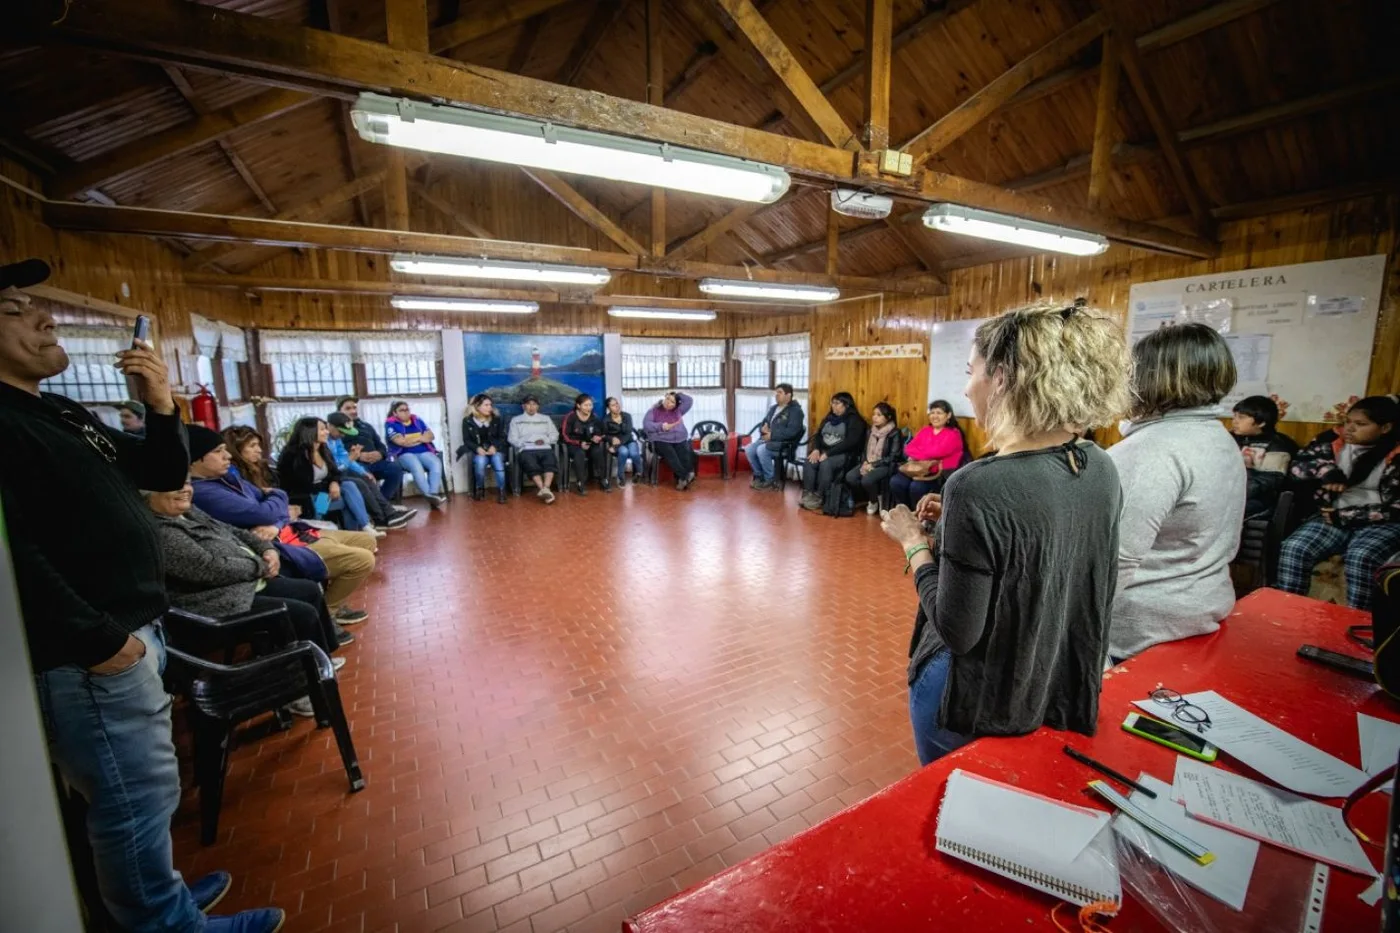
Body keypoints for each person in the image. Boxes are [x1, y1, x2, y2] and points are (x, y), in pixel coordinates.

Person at [0, 258, 284, 933]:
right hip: (93, 649)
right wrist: (104, 641)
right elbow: (17, 556)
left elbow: (157, 469)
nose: (45, 315)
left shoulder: (54, 412)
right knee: (131, 798)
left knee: (144, 791)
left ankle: (164, 894)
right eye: (14, 309)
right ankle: (167, 923)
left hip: (128, 631)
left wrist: (160, 404)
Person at [880, 302, 1128, 765]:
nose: (966, 386)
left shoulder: (977, 484)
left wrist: (913, 540)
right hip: (1047, 672)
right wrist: (958, 526)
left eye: (971, 370)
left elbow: (957, 630)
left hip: (975, 692)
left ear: (1003, 380)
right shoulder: (1099, 464)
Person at [146, 482, 348, 716]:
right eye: (173, 484)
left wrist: (267, 549)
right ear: (148, 493)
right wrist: (260, 565)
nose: (185, 489)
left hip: (243, 583)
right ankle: (297, 690)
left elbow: (235, 531)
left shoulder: (189, 512)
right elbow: (209, 568)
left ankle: (320, 662)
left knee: (308, 590)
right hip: (214, 603)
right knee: (300, 613)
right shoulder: (162, 532)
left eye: (186, 482)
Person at [1107, 323, 1245, 662]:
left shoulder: (1151, 450)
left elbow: (1113, 561)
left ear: (1147, 378)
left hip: (1141, 629)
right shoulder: (1217, 436)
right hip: (1202, 605)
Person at [189, 425, 375, 626]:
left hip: (289, 524)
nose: (226, 456)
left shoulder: (229, 477)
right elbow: (272, 504)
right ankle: (327, 614)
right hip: (295, 520)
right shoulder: (205, 490)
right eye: (218, 451)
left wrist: (277, 515)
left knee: (353, 499)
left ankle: (367, 525)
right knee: (353, 511)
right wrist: (277, 504)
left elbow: (276, 498)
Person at [1277, 395, 1400, 610]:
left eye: (1361, 424)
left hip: (1382, 522)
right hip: (1332, 516)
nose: (1350, 429)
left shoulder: (1395, 455)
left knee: (1361, 556)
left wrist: (1347, 516)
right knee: (1294, 547)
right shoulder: (1331, 442)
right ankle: (1288, 613)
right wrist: (1327, 471)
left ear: (1385, 427)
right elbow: (1296, 469)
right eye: (1348, 422)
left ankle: (1358, 623)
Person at [277, 417, 381, 538]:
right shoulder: (292, 454)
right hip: (306, 500)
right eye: (322, 429)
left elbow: (334, 472)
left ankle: (360, 531)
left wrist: (334, 483)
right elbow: (304, 485)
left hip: (322, 494)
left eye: (326, 429)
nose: (327, 432)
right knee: (348, 498)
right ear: (309, 431)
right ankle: (358, 533)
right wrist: (329, 485)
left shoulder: (323, 449)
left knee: (349, 487)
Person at [327, 412, 414, 528]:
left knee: (365, 478)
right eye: (341, 432)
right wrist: (350, 460)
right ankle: (379, 519)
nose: (343, 435)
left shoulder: (335, 441)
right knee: (357, 484)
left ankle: (386, 516)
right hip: (324, 485)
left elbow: (340, 464)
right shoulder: (317, 447)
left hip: (333, 478)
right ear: (330, 426)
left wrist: (363, 471)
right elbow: (333, 469)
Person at [887, 400, 969, 510]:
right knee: (896, 482)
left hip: (940, 474)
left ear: (948, 415)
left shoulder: (954, 433)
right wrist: (926, 454)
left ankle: (921, 515)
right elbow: (908, 448)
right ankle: (907, 511)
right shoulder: (926, 430)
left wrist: (919, 453)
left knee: (916, 487)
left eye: (939, 413)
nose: (935, 416)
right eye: (932, 412)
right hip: (918, 469)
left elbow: (937, 452)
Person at [1230, 395, 1299, 518]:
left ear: (1261, 422)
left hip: (1260, 500)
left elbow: (1268, 481)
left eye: (1241, 417)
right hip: (1231, 493)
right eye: (1234, 416)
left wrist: (1231, 492)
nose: (1234, 421)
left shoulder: (1278, 445)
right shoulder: (1230, 438)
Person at [799, 391, 866, 512]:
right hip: (825, 451)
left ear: (847, 405)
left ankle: (821, 496)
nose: (833, 406)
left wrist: (828, 454)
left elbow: (850, 442)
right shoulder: (829, 417)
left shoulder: (855, 420)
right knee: (810, 462)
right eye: (832, 403)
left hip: (845, 454)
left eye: (837, 403)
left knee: (826, 463)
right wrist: (816, 449)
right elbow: (819, 435)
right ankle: (808, 494)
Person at [335, 396, 404, 501]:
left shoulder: (366, 426)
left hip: (373, 463)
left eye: (354, 408)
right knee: (364, 478)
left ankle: (383, 504)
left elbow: (381, 446)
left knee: (395, 469)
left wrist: (380, 454)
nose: (353, 411)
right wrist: (358, 457)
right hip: (352, 466)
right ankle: (379, 507)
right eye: (348, 408)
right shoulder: (335, 432)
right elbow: (338, 455)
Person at [743, 383, 805, 490]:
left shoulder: (796, 411)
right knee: (749, 449)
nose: (776, 395)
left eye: (780, 393)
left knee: (761, 450)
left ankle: (770, 480)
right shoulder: (773, 408)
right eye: (776, 393)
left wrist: (772, 436)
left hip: (783, 445)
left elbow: (792, 432)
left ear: (788, 395)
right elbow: (764, 423)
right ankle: (759, 476)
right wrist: (763, 428)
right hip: (768, 440)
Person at [385, 400, 446, 508]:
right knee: (416, 466)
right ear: (395, 413)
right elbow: (400, 442)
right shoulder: (391, 424)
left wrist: (411, 440)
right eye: (402, 410)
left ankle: (433, 495)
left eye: (407, 409)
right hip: (404, 454)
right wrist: (420, 438)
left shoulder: (417, 420)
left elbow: (431, 436)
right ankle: (431, 497)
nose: (406, 412)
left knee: (436, 464)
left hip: (423, 451)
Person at [845, 402, 904, 514]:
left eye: (879, 415)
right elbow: (864, 450)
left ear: (888, 417)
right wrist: (865, 463)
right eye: (874, 414)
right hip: (869, 462)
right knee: (850, 477)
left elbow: (894, 456)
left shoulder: (895, 432)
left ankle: (874, 501)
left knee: (867, 479)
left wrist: (874, 465)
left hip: (885, 464)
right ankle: (874, 497)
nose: (875, 417)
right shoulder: (870, 431)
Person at [508, 395, 559, 504]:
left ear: (538, 406)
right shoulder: (516, 420)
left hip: (544, 447)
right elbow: (512, 438)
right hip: (526, 449)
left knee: (550, 461)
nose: (532, 407)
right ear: (523, 406)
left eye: (534, 404)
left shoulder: (546, 419)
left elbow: (554, 434)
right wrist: (525, 442)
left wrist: (546, 440)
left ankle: (545, 489)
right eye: (529, 404)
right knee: (531, 463)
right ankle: (543, 489)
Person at [459, 393, 509, 503]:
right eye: (486, 405)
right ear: (477, 406)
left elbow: (503, 437)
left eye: (490, 405)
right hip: (479, 451)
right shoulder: (467, 421)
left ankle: (502, 491)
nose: (490, 407)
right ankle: (479, 489)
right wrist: (477, 449)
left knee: (497, 461)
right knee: (480, 463)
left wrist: (495, 447)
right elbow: (467, 440)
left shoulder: (496, 419)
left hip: (495, 450)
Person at [643, 391, 696, 490]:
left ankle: (681, 479)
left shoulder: (679, 410)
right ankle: (685, 476)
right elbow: (646, 425)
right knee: (670, 453)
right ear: (665, 397)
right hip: (660, 439)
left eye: (672, 401)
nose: (668, 402)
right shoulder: (654, 410)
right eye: (668, 399)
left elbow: (689, 400)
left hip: (678, 438)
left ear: (676, 405)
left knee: (684, 451)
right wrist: (661, 426)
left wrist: (677, 394)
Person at [562, 393, 611, 495]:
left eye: (590, 405)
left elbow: (601, 432)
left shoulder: (595, 417)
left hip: (590, 444)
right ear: (578, 405)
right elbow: (564, 435)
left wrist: (597, 437)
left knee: (598, 451)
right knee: (579, 453)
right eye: (586, 405)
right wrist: (579, 443)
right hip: (574, 445)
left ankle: (603, 479)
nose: (589, 408)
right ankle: (580, 482)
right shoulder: (570, 417)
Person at [603, 396, 643, 486]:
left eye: (617, 403)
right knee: (624, 452)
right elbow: (604, 435)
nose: (616, 406)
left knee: (633, 453)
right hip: (618, 444)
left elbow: (628, 433)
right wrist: (611, 439)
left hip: (628, 440)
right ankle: (620, 477)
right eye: (613, 405)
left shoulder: (627, 416)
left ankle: (639, 473)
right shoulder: (606, 420)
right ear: (608, 408)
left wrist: (615, 446)